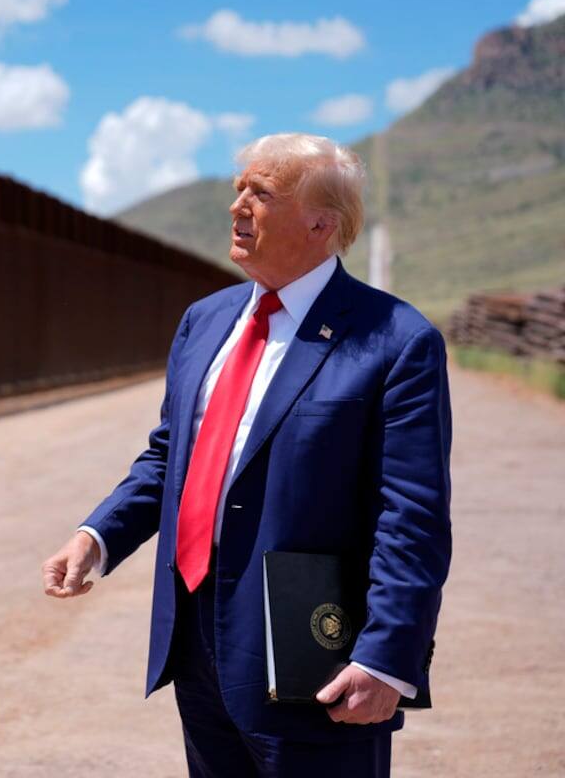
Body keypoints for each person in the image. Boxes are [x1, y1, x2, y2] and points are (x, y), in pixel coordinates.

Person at [41, 133, 451, 777]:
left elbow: (413, 516)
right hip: (197, 644)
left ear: (321, 223)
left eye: (260, 195)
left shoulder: (396, 340)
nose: (237, 207)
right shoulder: (204, 321)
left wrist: (386, 658)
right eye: (238, 191)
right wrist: (98, 535)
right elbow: (170, 456)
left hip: (313, 651)